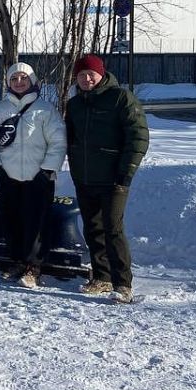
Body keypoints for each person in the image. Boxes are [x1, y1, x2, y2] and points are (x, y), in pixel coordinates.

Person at [65, 54, 149, 304]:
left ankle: (123, 283)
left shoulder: (121, 98)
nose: (87, 79)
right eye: (81, 75)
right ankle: (102, 277)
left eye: (91, 74)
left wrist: (126, 171)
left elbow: (138, 137)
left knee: (113, 228)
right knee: (93, 228)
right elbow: (70, 139)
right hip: (85, 176)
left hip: (114, 178)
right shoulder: (76, 104)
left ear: (102, 75)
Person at [0, 63, 66, 288]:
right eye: (14, 78)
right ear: (8, 82)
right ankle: (16, 260)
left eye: (23, 78)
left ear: (32, 81)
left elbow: (57, 142)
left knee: (36, 223)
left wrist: (47, 170)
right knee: (11, 220)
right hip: (8, 177)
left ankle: (33, 267)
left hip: (39, 177)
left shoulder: (45, 110)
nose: (19, 82)